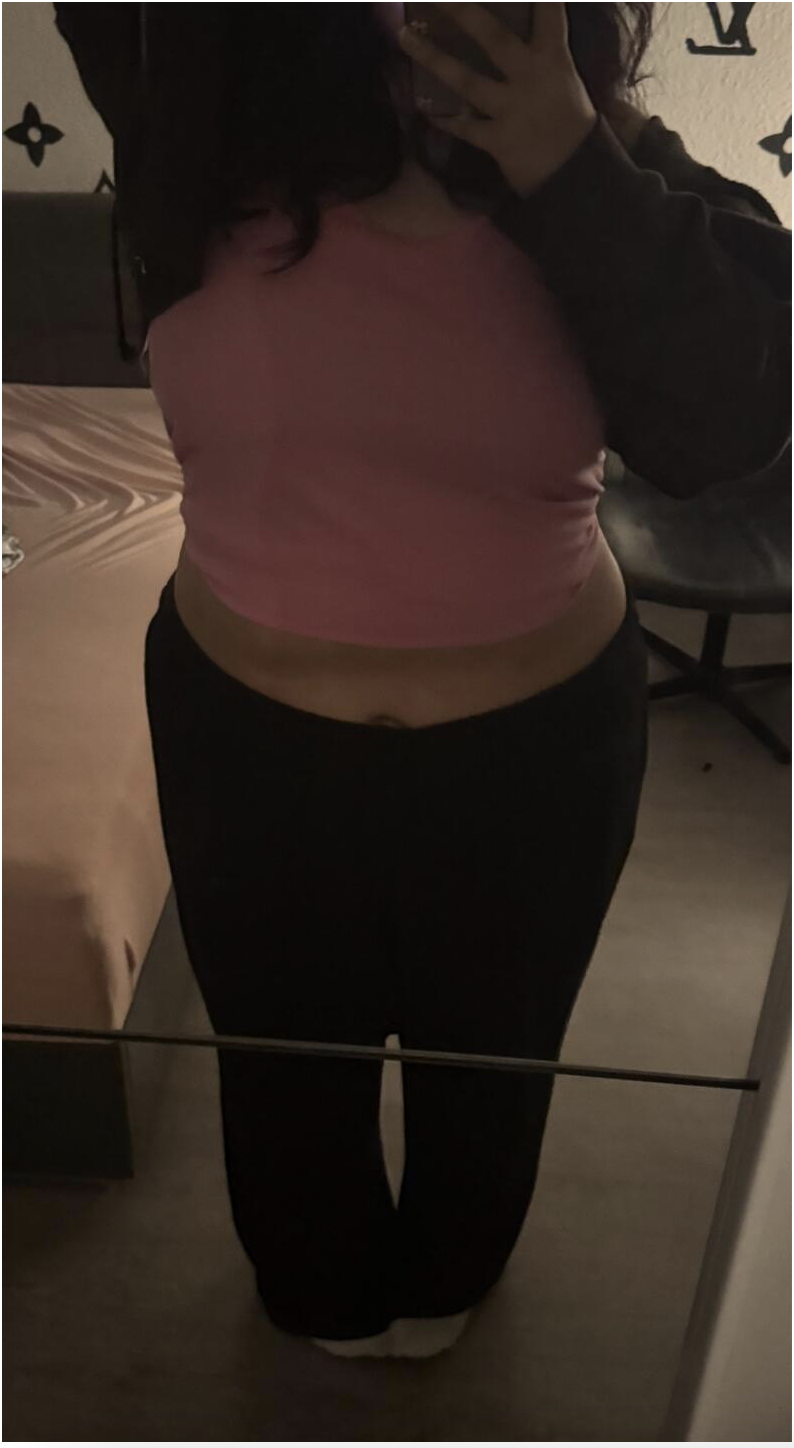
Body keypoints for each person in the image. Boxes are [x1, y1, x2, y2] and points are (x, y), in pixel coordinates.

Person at [55, 2, 790, 1359]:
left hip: (534, 769)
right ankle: (323, 1294)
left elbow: (734, 418)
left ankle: (448, 1280)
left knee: (491, 1086)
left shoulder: (608, 155)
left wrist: (566, 160)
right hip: (249, 754)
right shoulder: (184, 108)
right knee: (285, 1088)